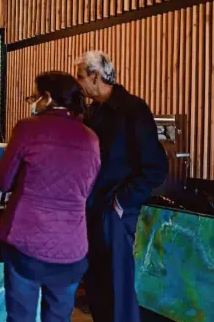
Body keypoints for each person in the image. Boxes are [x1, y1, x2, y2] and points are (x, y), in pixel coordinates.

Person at [0, 71, 101, 321]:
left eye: (36, 95)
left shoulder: (28, 128)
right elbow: (87, 189)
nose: (34, 101)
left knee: (21, 316)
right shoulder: (91, 137)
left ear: (48, 97)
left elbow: (3, 182)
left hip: (26, 243)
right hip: (72, 248)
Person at [75, 51, 168, 322]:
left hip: (115, 212)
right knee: (96, 285)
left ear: (95, 76)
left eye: (81, 77)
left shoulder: (133, 110)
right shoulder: (93, 111)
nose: (78, 83)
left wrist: (121, 202)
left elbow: (156, 167)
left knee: (117, 288)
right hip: (92, 210)